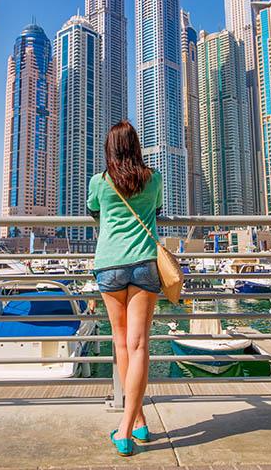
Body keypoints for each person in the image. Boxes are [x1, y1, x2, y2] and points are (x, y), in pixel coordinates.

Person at [86, 120, 163, 457]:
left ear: (110, 149)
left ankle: (127, 428)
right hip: (145, 263)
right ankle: (137, 421)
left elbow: (94, 212)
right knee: (140, 344)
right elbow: (158, 210)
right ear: (136, 147)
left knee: (121, 343)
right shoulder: (154, 178)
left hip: (110, 265)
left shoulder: (99, 182)